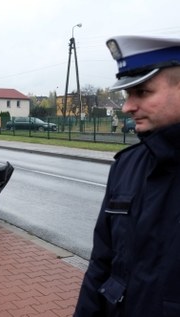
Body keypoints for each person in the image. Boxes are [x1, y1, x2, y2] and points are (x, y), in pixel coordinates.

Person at [74, 35, 180, 317]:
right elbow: (102, 264)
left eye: (142, 92)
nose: (127, 107)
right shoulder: (126, 166)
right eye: (127, 94)